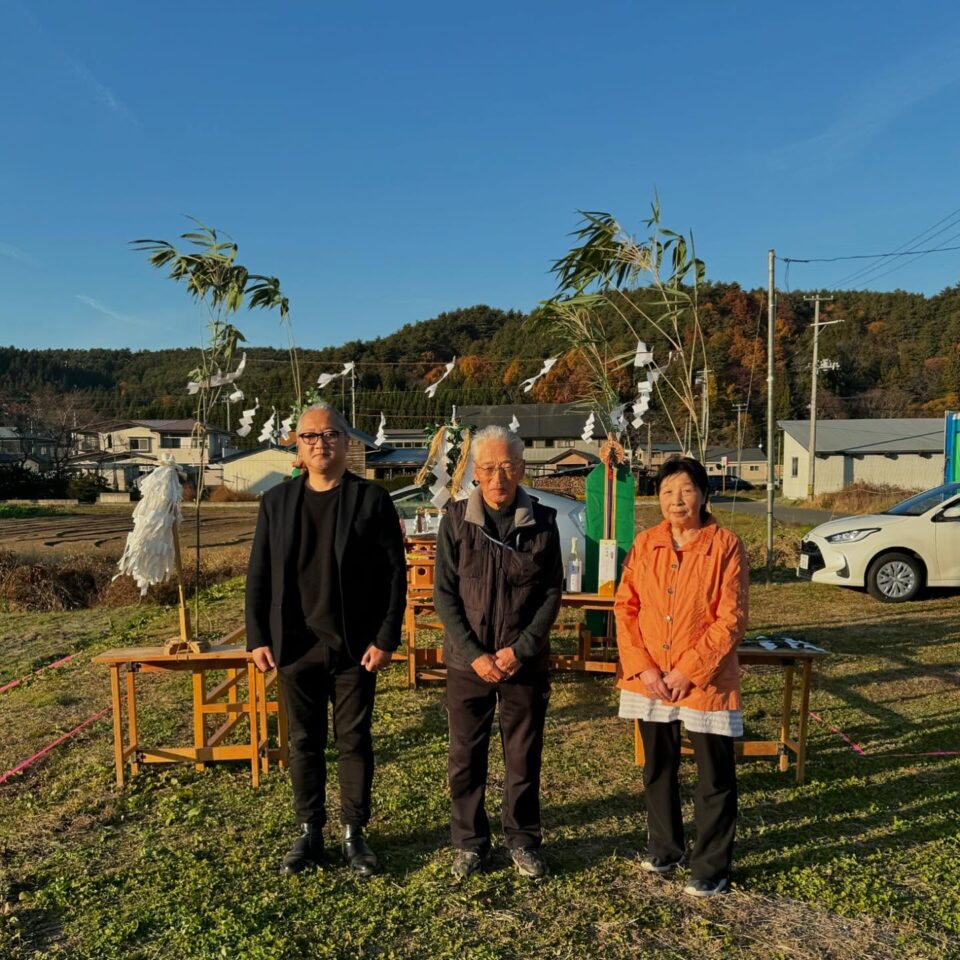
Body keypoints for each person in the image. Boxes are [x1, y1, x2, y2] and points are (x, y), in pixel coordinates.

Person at [245, 403, 406, 877]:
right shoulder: (276, 503)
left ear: (345, 440)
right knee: (303, 741)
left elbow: (395, 576)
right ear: (297, 443)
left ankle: (355, 834)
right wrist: (257, 635)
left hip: (356, 645)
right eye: (311, 435)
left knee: (354, 739)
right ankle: (308, 831)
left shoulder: (371, 499)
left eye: (331, 434)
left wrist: (386, 636)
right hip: (294, 642)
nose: (321, 443)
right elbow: (258, 574)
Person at [613, 456, 748, 898]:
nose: (677, 500)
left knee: (714, 773)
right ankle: (665, 847)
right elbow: (626, 607)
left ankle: (711, 864)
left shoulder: (725, 545)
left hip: (704, 679)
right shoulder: (645, 543)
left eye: (686, 490)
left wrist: (689, 670)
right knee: (658, 766)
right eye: (668, 491)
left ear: (704, 494)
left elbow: (730, 618)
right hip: (649, 675)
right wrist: (645, 667)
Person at [433, 425, 563, 879]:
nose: (497, 477)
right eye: (487, 467)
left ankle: (523, 840)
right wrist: (474, 654)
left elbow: (551, 593)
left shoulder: (543, 523)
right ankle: (469, 842)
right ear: (475, 471)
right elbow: (444, 595)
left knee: (523, 755)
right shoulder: (454, 520)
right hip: (468, 661)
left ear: (522, 469)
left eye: (507, 466)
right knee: (465, 755)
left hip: (522, 662)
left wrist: (520, 651)